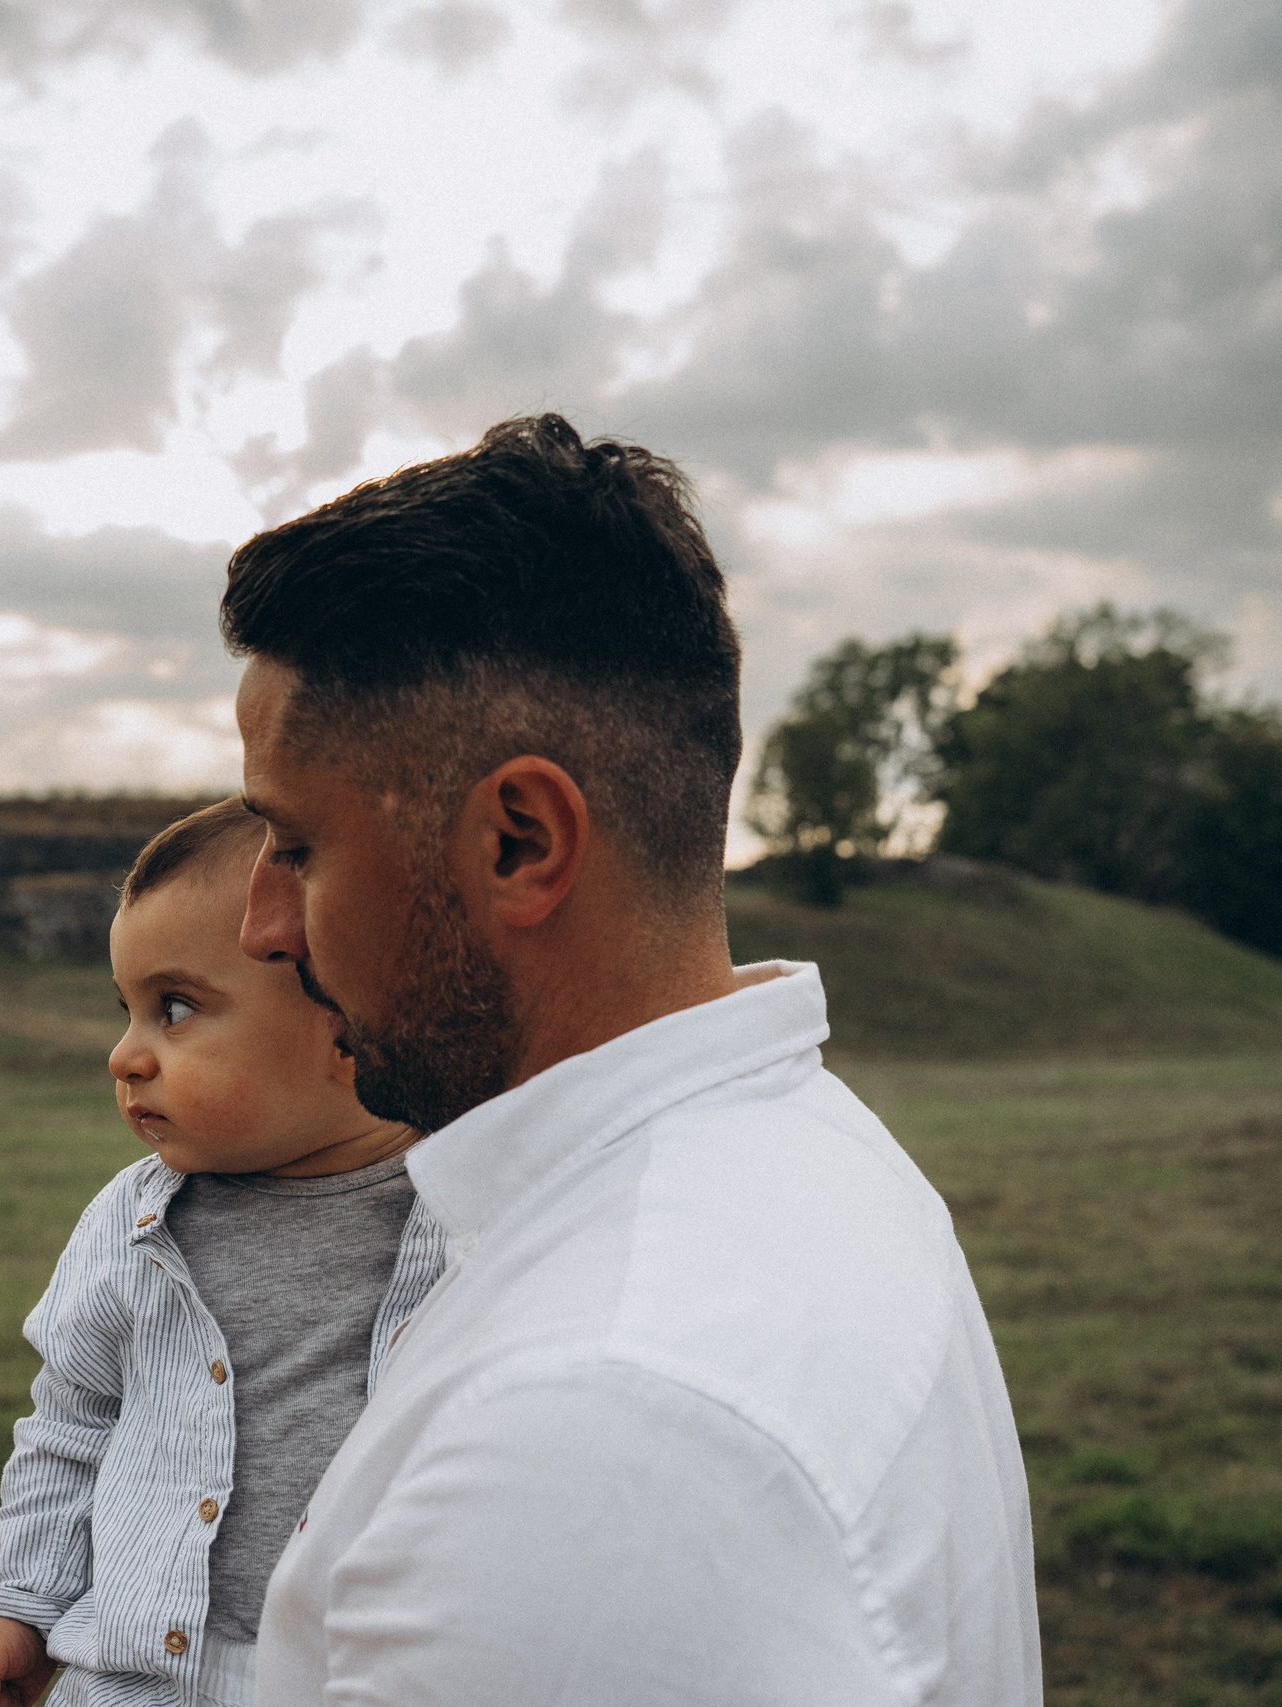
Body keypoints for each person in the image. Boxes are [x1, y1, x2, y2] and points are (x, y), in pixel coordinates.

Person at [226, 414, 1045, 1705]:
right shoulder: (803, 1157)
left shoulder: (593, 1422)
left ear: (517, 839)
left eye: (296, 845)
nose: (261, 926)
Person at [0, 800, 447, 1707]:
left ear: (348, 1019)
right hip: (130, 1679)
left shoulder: (464, 1215)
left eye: (174, 1007)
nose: (124, 1056)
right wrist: (18, 1607)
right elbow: (72, 1426)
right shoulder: (135, 1224)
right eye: (126, 1011)